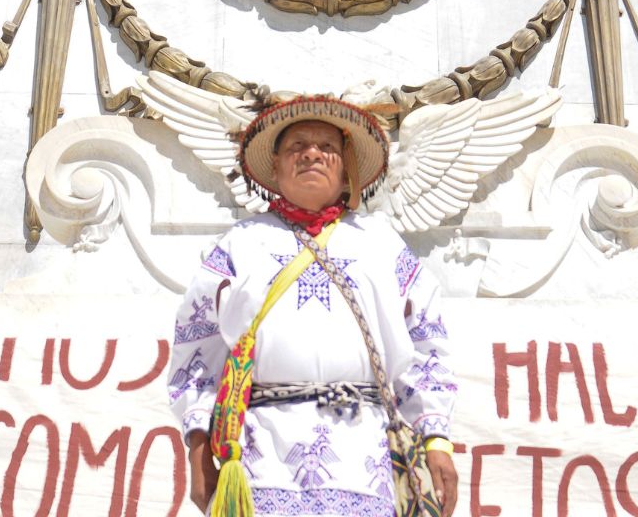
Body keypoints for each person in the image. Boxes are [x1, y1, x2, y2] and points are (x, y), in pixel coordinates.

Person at [168, 95, 459, 517]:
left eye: (327, 148)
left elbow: (427, 344)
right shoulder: (240, 244)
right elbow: (197, 350)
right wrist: (197, 446)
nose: (311, 154)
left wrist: (436, 439)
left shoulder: (381, 244)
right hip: (259, 455)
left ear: (346, 170)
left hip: (366, 456)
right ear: (277, 166)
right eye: (296, 146)